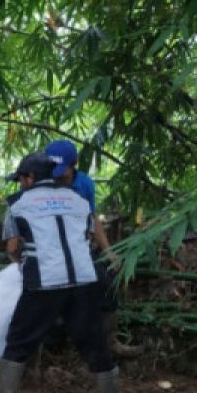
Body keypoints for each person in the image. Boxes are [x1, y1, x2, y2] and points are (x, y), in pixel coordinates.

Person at [0, 152, 128, 393]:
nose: (20, 184)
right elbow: (86, 234)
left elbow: (12, 247)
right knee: (93, 343)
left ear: (30, 178)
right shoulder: (79, 201)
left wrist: (22, 263)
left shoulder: (18, 204)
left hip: (44, 283)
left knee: (19, 338)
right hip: (85, 280)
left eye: (21, 179)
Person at [45, 139, 142, 358]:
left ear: (74, 165)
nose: (59, 179)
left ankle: (110, 341)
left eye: (64, 174)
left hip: (79, 248)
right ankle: (53, 347)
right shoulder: (42, 183)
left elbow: (92, 219)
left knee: (106, 283)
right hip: (50, 250)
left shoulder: (84, 185)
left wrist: (108, 251)